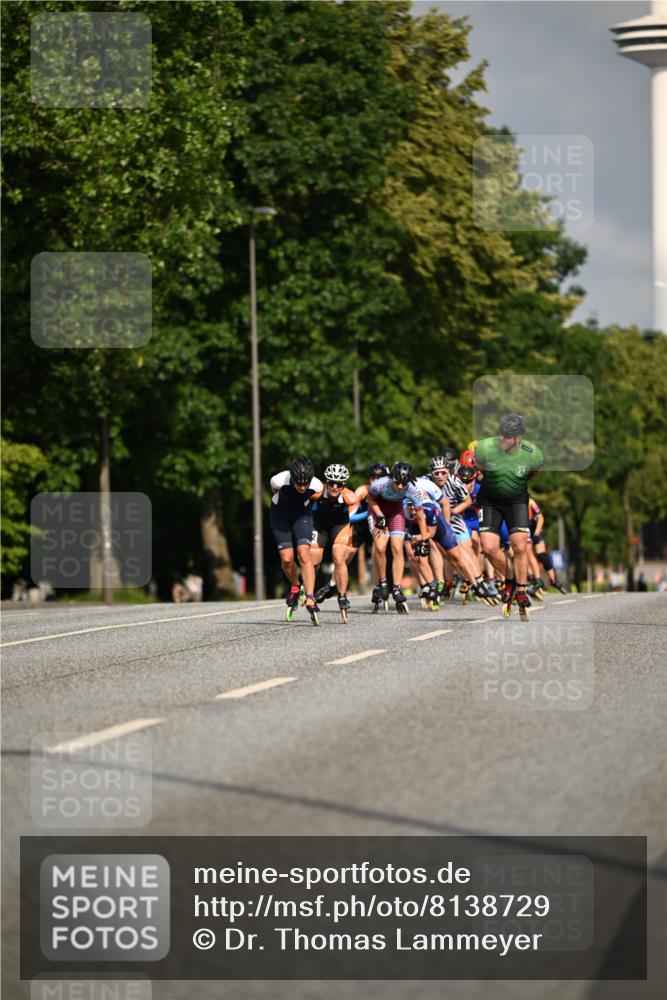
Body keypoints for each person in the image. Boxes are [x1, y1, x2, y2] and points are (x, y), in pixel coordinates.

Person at [474, 413, 544, 616]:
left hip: (516, 502)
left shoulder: (532, 453)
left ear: (518, 437)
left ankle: (521, 590)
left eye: (508, 435)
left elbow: (534, 472)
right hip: (490, 501)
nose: (502, 438)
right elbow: (480, 468)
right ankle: (510, 578)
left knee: (520, 544)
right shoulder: (486, 447)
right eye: (501, 434)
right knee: (488, 547)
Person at [367, 461, 427, 613]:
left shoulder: (412, 490)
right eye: (397, 482)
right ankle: (383, 582)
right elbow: (371, 500)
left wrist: (424, 538)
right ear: (392, 477)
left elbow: (420, 516)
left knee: (397, 548)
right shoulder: (379, 484)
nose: (400, 487)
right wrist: (379, 515)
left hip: (396, 513)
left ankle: (397, 588)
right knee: (380, 548)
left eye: (403, 484)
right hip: (378, 511)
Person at [269, 455, 323, 622]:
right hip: (280, 514)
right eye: (298, 482)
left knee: (304, 554)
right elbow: (274, 492)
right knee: (286, 559)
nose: (302, 486)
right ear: (291, 477)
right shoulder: (279, 480)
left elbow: (317, 494)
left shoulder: (317, 484)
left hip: (302, 515)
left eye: (305, 483)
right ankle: (295, 586)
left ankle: (310, 596)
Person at [310, 463, 358, 619]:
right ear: (326, 481)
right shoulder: (317, 492)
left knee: (339, 558)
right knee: (315, 560)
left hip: (339, 525)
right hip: (319, 524)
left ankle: (342, 595)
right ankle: (310, 592)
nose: (335, 486)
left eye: (339, 484)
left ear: (344, 485)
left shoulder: (349, 497)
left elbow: (354, 510)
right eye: (331, 482)